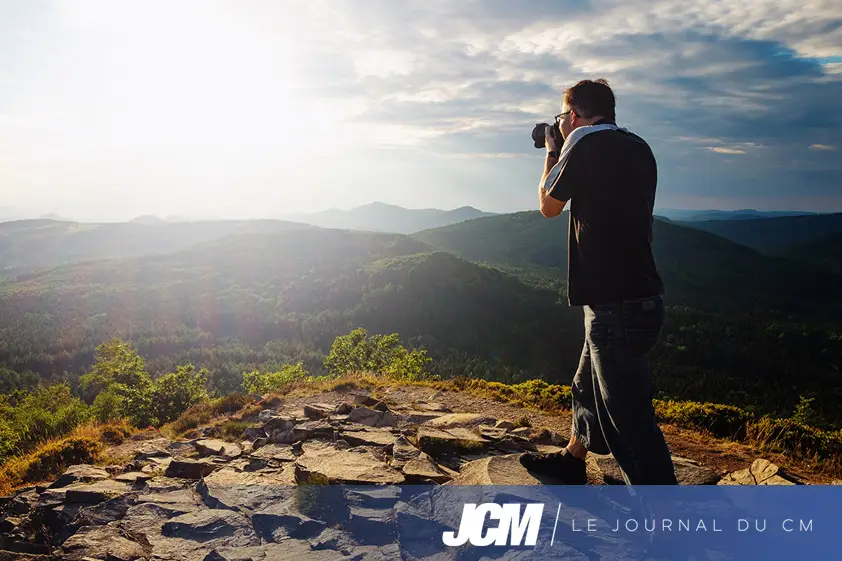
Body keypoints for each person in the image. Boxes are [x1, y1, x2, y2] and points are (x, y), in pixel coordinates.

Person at [529, 78, 677, 485]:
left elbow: (548, 206)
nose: (561, 124)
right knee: (586, 385)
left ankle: (667, 524)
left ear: (574, 115)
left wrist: (551, 152)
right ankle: (572, 459)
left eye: (563, 117)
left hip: (616, 304)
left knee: (628, 425)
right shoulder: (637, 146)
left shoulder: (585, 147)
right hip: (639, 294)